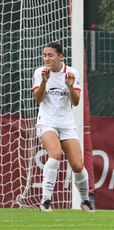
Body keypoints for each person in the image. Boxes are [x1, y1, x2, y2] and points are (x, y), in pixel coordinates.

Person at [33, 42, 94, 212]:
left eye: (50, 55)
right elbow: (38, 99)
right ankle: (46, 201)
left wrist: (69, 85)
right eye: (44, 55)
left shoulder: (72, 73)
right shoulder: (40, 73)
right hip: (47, 122)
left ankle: (85, 201)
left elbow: (76, 102)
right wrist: (44, 82)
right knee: (55, 154)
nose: (46, 58)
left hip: (66, 124)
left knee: (78, 165)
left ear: (60, 56)